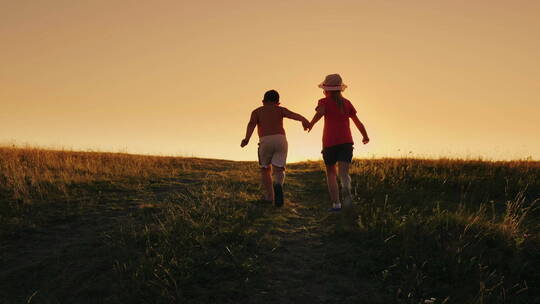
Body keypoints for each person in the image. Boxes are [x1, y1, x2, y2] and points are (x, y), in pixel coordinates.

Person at [309, 74, 370, 211]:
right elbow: (358, 122)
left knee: (331, 172)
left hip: (330, 142)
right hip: (346, 141)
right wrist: (365, 136)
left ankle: (336, 204)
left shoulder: (323, 102)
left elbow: (320, 113)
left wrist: (311, 124)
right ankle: (346, 188)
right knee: (344, 173)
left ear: (326, 89)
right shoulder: (347, 103)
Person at [241, 89, 310, 207]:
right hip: (280, 140)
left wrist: (246, 139)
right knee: (279, 169)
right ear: (278, 102)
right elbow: (294, 115)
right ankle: (278, 184)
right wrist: (305, 121)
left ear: (263, 101)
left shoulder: (257, 111)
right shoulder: (280, 110)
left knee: (265, 169)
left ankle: (269, 197)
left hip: (265, 140)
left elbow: (251, 124)